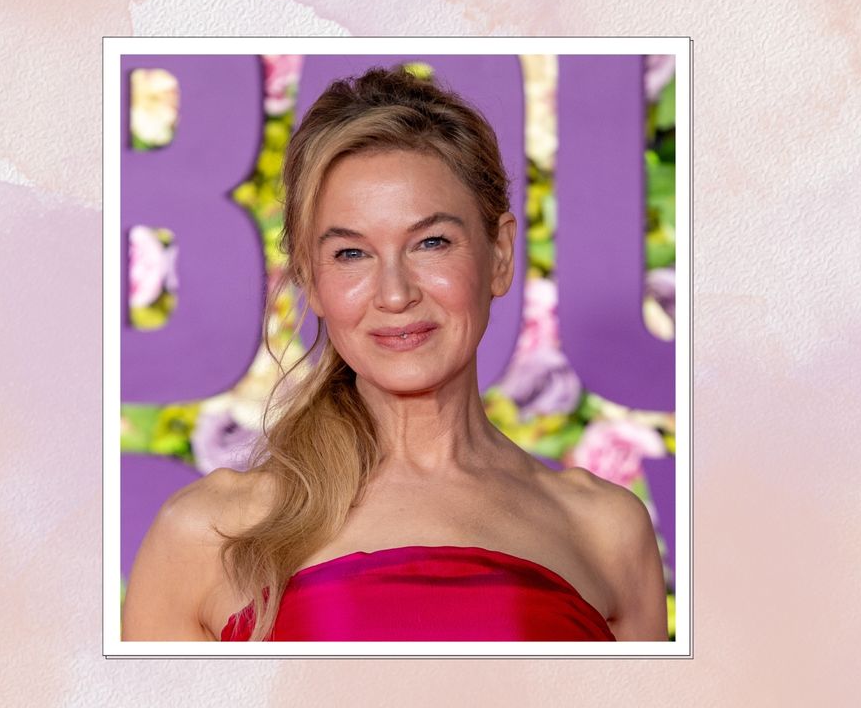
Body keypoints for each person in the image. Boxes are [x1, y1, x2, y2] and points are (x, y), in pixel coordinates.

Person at [122, 65, 668, 642]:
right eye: (351, 254)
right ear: (309, 278)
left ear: (501, 254)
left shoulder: (604, 530)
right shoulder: (207, 533)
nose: (394, 294)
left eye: (431, 242)